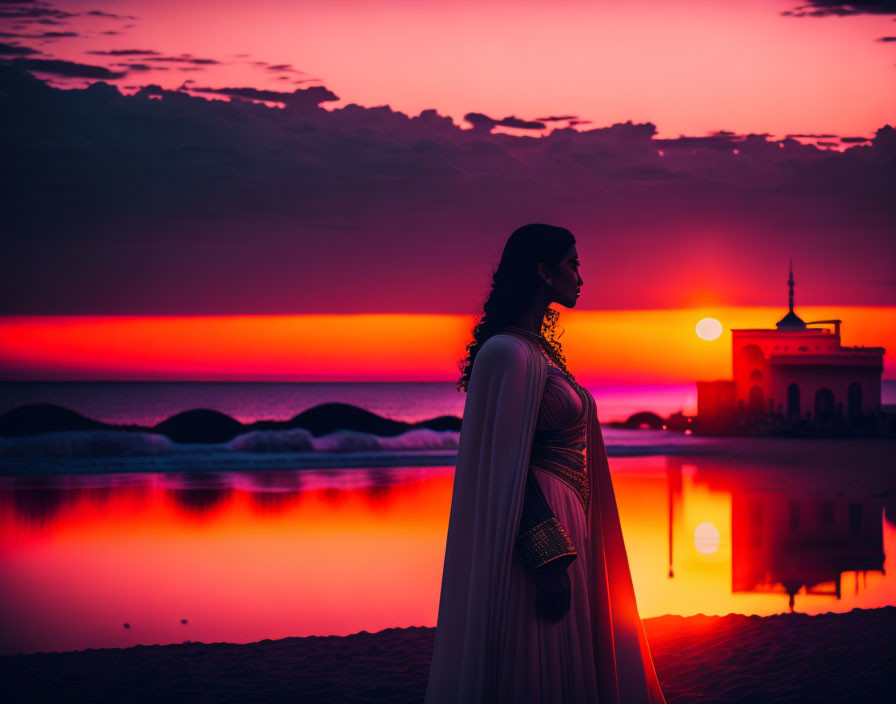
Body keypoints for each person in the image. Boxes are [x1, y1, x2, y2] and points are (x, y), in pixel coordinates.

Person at [423, 224, 667, 703]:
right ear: (543, 270)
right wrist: (548, 557)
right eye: (573, 263)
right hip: (537, 539)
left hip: (570, 521)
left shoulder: (537, 353)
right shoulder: (507, 353)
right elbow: (506, 463)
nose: (580, 276)